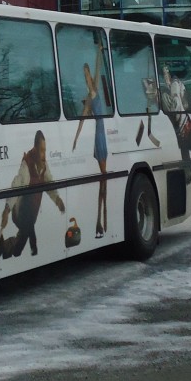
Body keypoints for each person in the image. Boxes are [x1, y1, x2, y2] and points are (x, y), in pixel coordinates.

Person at [0, 129, 65, 261]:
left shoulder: (43, 165)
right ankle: (11, 247)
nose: (44, 155)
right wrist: (7, 209)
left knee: (20, 246)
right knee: (26, 231)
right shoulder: (27, 164)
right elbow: (17, 185)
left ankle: (6, 247)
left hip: (31, 215)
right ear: (35, 149)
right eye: (42, 150)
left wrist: (57, 199)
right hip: (20, 212)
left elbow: (49, 182)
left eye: (45, 150)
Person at [72, 45, 109, 238]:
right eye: (85, 76)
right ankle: (100, 221)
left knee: (105, 178)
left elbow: (98, 68)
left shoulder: (95, 88)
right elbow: (82, 120)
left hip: (103, 133)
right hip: (98, 135)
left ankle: (102, 220)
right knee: (103, 177)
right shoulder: (88, 98)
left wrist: (99, 53)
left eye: (88, 75)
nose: (88, 78)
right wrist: (76, 139)